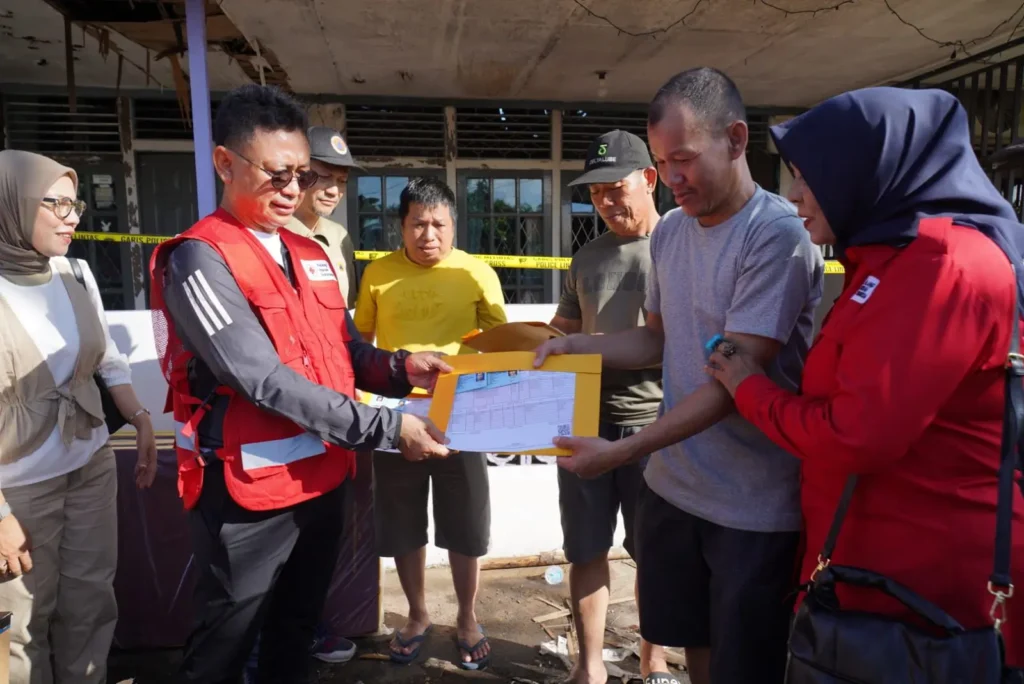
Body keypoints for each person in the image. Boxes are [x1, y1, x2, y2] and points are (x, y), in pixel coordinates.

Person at [705, 86, 1024, 666]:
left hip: (926, 595)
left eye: (810, 177)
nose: (795, 194)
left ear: (867, 171)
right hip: (867, 570)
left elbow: (854, 434)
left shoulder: (946, 266)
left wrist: (748, 387)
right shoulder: (884, 257)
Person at [148, 83, 453, 684]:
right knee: (225, 648)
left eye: (302, 175)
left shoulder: (307, 252)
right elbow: (261, 379)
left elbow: (345, 352)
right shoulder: (200, 258)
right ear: (225, 163)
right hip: (249, 493)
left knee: (296, 632)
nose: (293, 189)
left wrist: (401, 369)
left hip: (323, 479)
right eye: (277, 174)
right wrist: (389, 428)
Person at [534, 67, 824, 684]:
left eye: (684, 159)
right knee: (695, 646)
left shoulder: (776, 236)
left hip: (750, 503)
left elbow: (733, 385)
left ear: (737, 140)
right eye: (663, 162)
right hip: (676, 487)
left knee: (745, 665)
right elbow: (657, 337)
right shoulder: (671, 233)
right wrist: (577, 345)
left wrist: (623, 451)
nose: (672, 178)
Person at [0, 149, 157, 684]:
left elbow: (106, 358)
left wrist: (139, 417)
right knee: (21, 625)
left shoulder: (75, 272)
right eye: (57, 204)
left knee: (90, 604)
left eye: (76, 205)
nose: (72, 218)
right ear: (13, 205)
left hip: (89, 467)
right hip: (17, 490)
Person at [353, 176, 506, 670]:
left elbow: (502, 344)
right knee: (401, 524)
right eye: (418, 224)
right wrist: (363, 407)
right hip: (396, 418)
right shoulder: (378, 274)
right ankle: (418, 615)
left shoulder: (477, 273)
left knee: (466, 524)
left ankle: (467, 618)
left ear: (454, 226)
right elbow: (360, 344)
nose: (429, 235)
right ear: (401, 226)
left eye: (439, 224)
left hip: (463, 416)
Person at [553, 130, 671, 684]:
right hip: (583, 420)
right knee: (585, 548)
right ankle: (591, 666)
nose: (604, 200)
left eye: (614, 187)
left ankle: (654, 659)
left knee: (655, 553)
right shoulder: (587, 257)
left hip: (656, 425)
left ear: (648, 179)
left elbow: (671, 342)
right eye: (595, 191)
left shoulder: (679, 246)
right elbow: (562, 331)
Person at [282, 125, 359, 306]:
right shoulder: (271, 234)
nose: (334, 191)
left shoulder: (339, 236)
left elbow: (348, 306)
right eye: (324, 177)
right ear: (299, 175)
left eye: (342, 181)